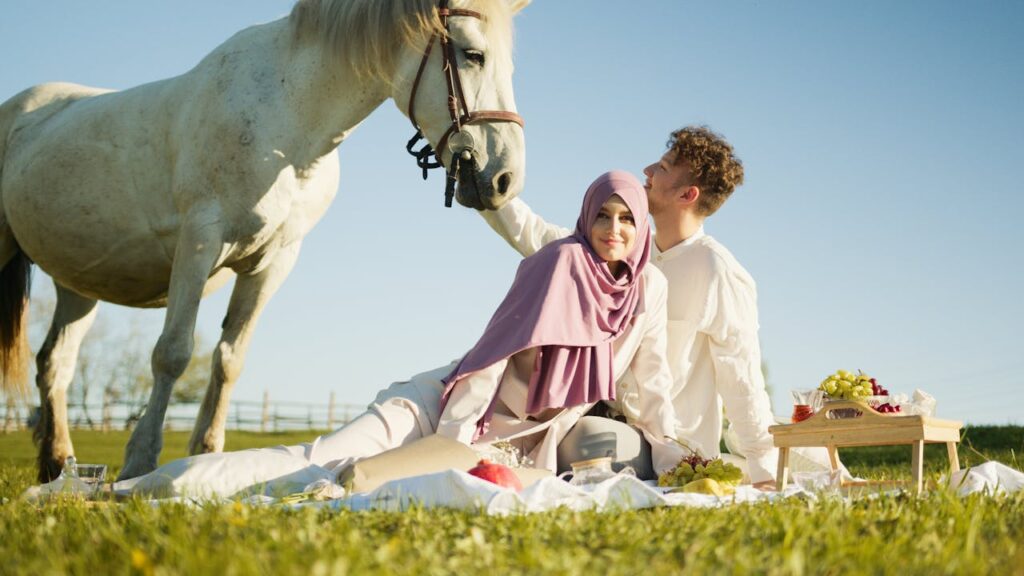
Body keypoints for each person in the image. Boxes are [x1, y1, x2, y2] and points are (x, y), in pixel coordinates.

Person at [114, 171, 684, 497]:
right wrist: (454, 439)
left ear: (642, 228)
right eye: (604, 216)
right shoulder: (558, 264)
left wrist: (677, 453)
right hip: (440, 410)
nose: (615, 229)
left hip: (504, 444)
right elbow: (491, 358)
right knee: (313, 462)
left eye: (628, 218)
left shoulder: (648, 292)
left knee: (362, 487)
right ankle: (127, 492)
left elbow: (650, 384)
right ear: (587, 216)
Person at [478, 126, 780, 487]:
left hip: (664, 442)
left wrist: (765, 474)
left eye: (664, 167)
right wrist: (482, 183)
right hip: (588, 416)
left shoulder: (719, 271)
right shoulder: (628, 249)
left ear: (688, 194)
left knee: (589, 439)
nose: (648, 170)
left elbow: (742, 381)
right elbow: (540, 235)